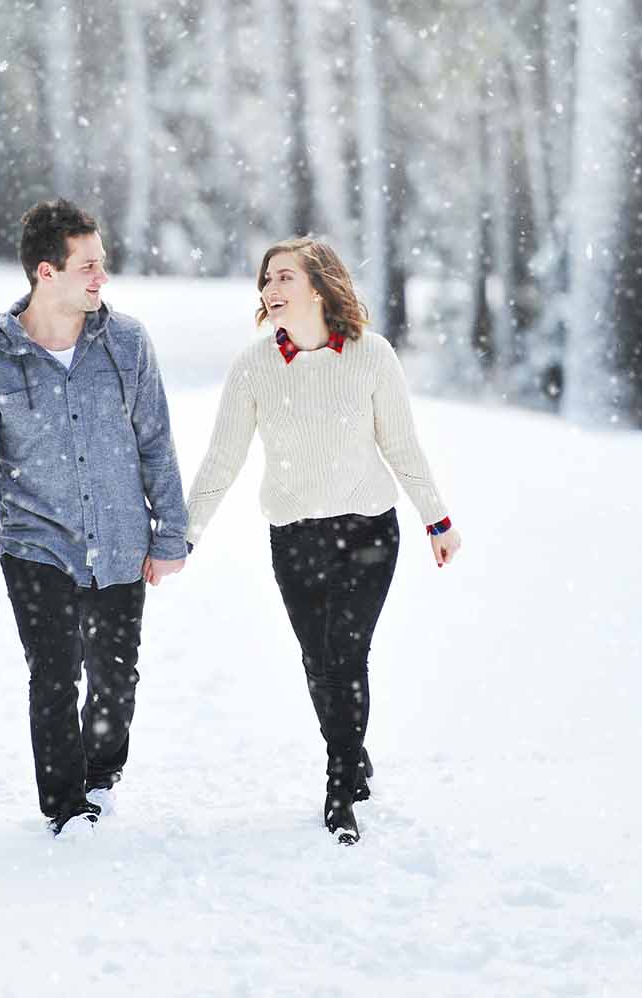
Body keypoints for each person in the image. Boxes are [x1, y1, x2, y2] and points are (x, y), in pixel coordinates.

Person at [185, 237, 460, 845]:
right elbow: (223, 457)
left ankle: (340, 784)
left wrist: (436, 520)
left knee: (346, 657)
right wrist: (187, 532)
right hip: (294, 537)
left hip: (368, 533)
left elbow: (402, 446)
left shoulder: (372, 356)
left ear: (317, 286)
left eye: (283, 277)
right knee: (318, 662)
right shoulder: (255, 365)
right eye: (265, 280)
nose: (270, 289)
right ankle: (352, 749)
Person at [0, 199, 189, 836]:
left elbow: (155, 441)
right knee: (52, 675)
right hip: (35, 544)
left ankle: (101, 778)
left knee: (115, 677)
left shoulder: (127, 344)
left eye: (101, 263)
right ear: (46, 273)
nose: (101, 277)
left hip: (123, 539)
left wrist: (171, 532)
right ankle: (65, 805)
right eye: (88, 266)